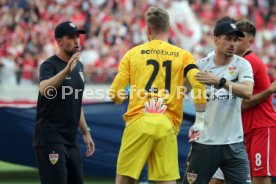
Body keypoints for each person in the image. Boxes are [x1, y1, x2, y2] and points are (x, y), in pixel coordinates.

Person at [109, 7, 206, 184]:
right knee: (166, 181)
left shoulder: (132, 54)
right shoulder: (183, 56)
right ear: (169, 29)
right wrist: (199, 119)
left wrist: (120, 95)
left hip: (138, 121)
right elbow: (198, 82)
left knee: (125, 179)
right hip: (166, 123)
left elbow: (115, 94)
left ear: (148, 30)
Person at [183, 21, 254, 184]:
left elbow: (247, 92)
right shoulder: (200, 67)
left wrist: (219, 81)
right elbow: (179, 92)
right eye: (228, 39)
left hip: (234, 144)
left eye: (236, 40)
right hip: (204, 143)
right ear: (216, 39)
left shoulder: (242, 65)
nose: (233, 44)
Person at [211, 19, 276, 184]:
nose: (234, 42)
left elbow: (242, 103)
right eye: (232, 38)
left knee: (259, 176)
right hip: (243, 128)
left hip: (262, 125)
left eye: (239, 39)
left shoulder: (249, 62)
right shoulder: (234, 63)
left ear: (250, 42)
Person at [33, 21, 95, 184]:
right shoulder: (49, 65)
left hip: (70, 138)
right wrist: (66, 70)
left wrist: (85, 132)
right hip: (50, 136)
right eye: (71, 37)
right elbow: (44, 89)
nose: (76, 41)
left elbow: (76, 102)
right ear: (59, 41)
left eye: (77, 37)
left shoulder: (79, 66)